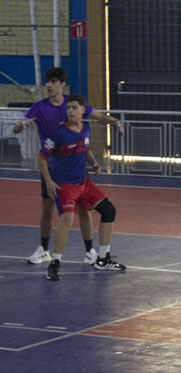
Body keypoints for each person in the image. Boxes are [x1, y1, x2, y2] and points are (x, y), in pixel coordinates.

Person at [13, 67, 124, 265]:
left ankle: (90, 251)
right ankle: (44, 250)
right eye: (47, 82)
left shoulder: (72, 104)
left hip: (75, 164)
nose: (49, 85)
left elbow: (99, 117)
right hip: (52, 167)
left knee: (84, 209)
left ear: (62, 84)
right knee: (48, 209)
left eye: (53, 82)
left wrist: (114, 122)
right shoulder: (39, 107)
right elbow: (15, 129)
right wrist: (23, 125)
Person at [38, 94, 126, 280]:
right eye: (68, 108)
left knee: (109, 210)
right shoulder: (59, 133)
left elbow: (85, 147)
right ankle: (55, 263)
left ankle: (103, 259)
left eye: (74, 108)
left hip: (83, 182)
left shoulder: (86, 128)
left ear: (82, 110)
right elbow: (42, 157)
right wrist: (49, 181)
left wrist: (94, 162)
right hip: (64, 185)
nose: (70, 111)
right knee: (68, 218)